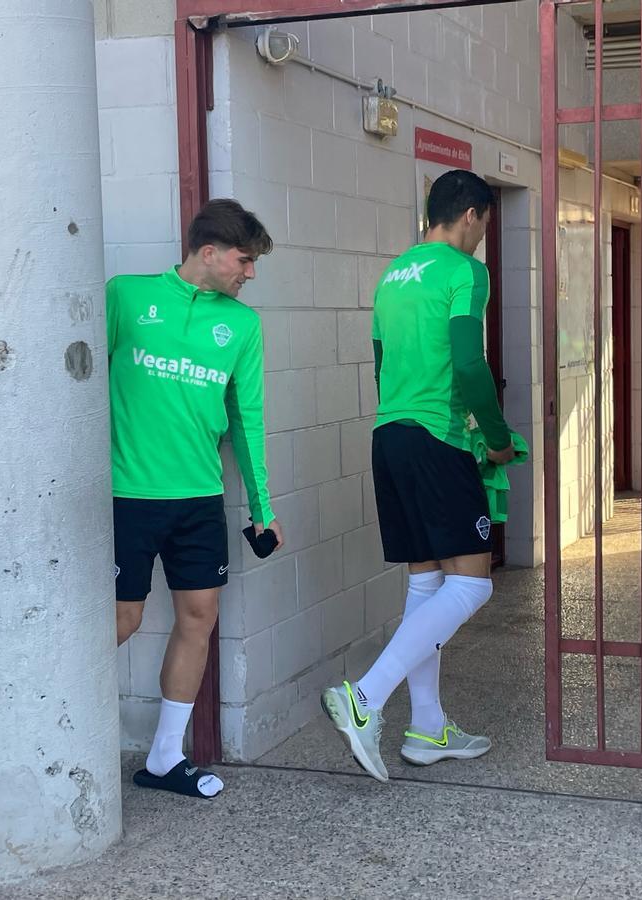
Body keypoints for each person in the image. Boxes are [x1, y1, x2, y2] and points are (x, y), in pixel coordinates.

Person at [320, 170, 514, 783]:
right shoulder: (464, 271)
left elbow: (382, 367)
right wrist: (499, 439)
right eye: (485, 223)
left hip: (390, 434)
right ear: (474, 215)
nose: (483, 236)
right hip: (437, 436)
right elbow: (468, 363)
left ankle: (427, 727)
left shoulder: (392, 275)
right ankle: (366, 697)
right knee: (473, 584)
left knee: (427, 583)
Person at [109, 199, 282, 799]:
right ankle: (36, 723)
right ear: (207, 252)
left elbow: (248, 420)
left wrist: (264, 508)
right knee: (120, 620)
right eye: (244, 260)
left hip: (201, 498)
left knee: (199, 616)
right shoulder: (125, 297)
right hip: (126, 495)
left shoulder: (242, 326)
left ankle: (163, 758)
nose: (249, 273)